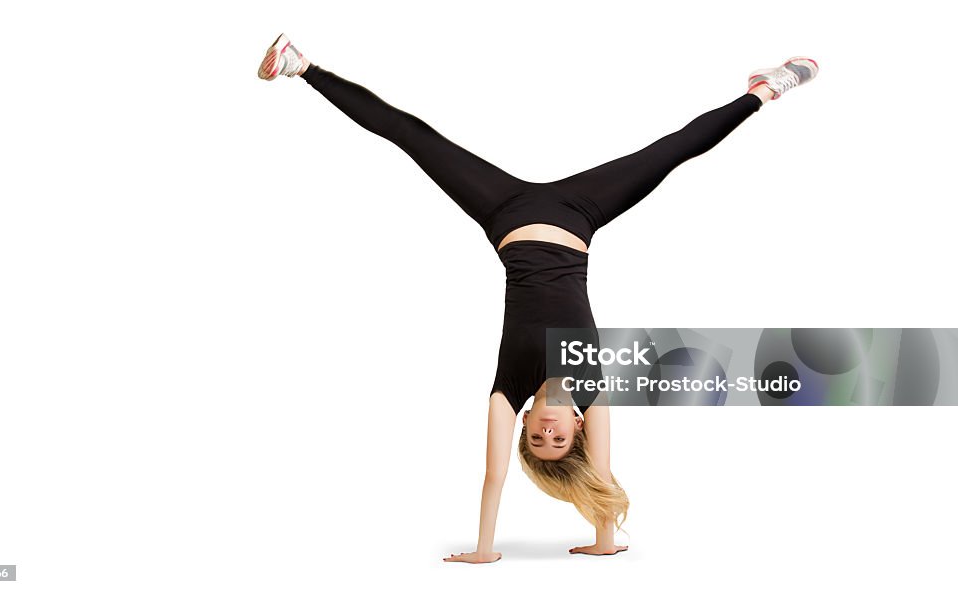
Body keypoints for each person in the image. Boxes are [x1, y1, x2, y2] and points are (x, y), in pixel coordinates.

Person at [257, 34, 818, 563]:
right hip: (579, 216)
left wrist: (484, 549)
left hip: (504, 214)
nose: (546, 431)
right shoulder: (592, 391)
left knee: (413, 137)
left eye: (536, 437)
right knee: (672, 151)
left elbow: (494, 477)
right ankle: (766, 89)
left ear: (524, 425)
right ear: (576, 429)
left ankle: (302, 66)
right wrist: (604, 540)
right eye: (558, 438)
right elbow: (603, 476)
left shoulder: (509, 392)